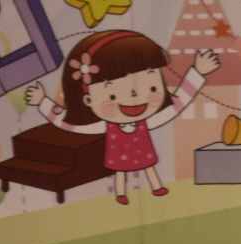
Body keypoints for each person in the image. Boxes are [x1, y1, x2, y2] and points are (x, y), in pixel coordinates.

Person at [24, 30, 217, 204]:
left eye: (151, 87)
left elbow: (178, 103)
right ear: (88, 100)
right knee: (120, 172)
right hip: (119, 157)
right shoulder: (104, 125)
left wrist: (197, 73)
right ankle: (121, 194)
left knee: (149, 167)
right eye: (112, 95)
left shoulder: (148, 119)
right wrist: (42, 102)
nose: (134, 96)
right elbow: (68, 123)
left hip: (143, 153)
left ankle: (157, 187)